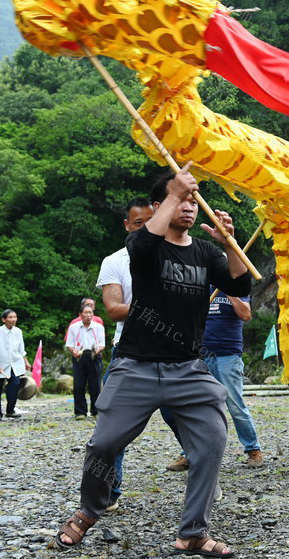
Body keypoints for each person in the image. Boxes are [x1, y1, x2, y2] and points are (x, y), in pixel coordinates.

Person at [52, 162, 251, 557]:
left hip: (188, 367)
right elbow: (140, 247)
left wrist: (229, 242)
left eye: (195, 200)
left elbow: (240, 284)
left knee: (212, 441)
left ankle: (192, 531)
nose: (190, 207)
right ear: (163, 203)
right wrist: (175, 192)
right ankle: (88, 511)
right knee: (104, 443)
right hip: (135, 365)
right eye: (182, 199)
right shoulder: (144, 247)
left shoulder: (205, 252)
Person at [95, 197, 156, 510]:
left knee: (195, 426)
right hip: (128, 353)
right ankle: (109, 492)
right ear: (126, 226)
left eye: (150, 222)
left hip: (176, 357)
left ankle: (206, 483)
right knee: (111, 428)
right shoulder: (115, 261)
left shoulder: (179, 256)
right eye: (137, 224)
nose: (144, 230)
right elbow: (113, 309)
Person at [202, 286, 264, 468]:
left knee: (235, 405)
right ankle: (189, 453)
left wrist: (230, 292)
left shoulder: (238, 288)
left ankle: (253, 449)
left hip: (228, 355)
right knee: (199, 406)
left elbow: (246, 314)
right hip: (200, 353)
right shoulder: (200, 287)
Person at [0, 309, 31, 421]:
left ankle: (10, 410)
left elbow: (21, 350)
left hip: (15, 363)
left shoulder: (18, 332)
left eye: (15, 317)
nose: (13, 319)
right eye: (10, 317)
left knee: (15, 384)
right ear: (4, 319)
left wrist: (26, 361)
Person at [65, 302, 105, 420]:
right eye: (86, 313)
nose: (88, 315)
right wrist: (74, 352)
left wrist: (98, 350)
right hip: (79, 356)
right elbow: (69, 345)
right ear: (80, 314)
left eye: (90, 313)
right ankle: (80, 412)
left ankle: (96, 411)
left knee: (95, 385)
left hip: (94, 356)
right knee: (79, 385)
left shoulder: (99, 327)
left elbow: (102, 344)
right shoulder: (73, 327)